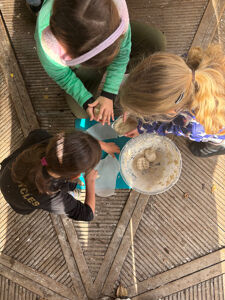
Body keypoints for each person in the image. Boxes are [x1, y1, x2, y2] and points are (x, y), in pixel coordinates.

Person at [33, 0, 165, 125]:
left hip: (105, 32)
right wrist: (86, 100)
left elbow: (123, 52)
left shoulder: (116, 11)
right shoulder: (50, 48)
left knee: (155, 41)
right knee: (82, 112)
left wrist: (109, 92)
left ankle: (122, 78)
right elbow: (62, 76)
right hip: (85, 58)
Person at [119, 45, 225, 157]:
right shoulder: (183, 67)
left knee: (198, 150)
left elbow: (170, 126)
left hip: (218, 131)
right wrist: (133, 103)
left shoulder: (192, 126)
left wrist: (143, 128)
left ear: (171, 112)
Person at [0, 129, 120, 220]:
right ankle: (71, 188)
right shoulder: (53, 198)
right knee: (71, 189)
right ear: (74, 176)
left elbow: (66, 145)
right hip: (19, 204)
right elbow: (87, 214)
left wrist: (101, 145)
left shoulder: (42, 141)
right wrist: (90, 181)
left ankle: (70, 188)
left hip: (5, 176)